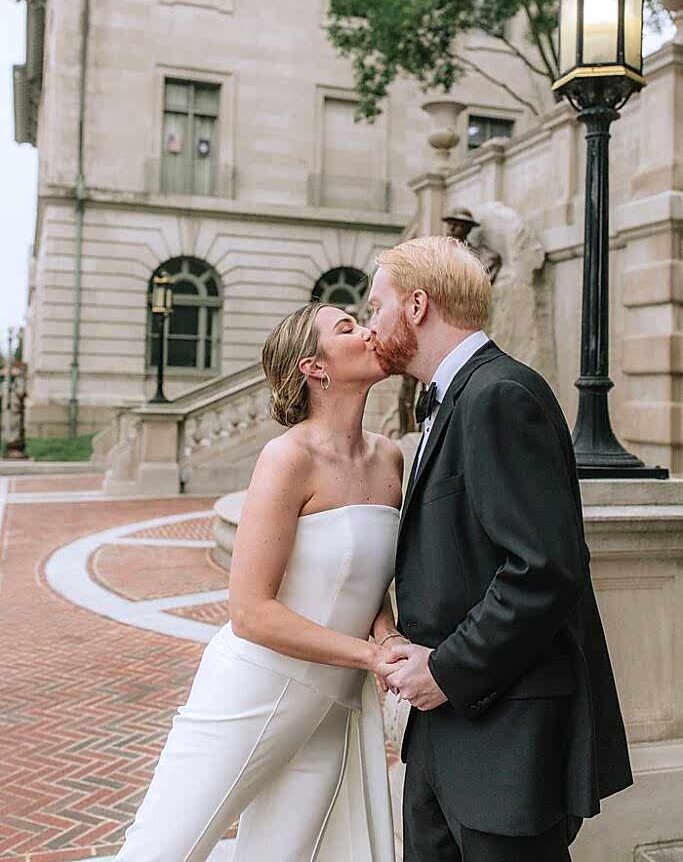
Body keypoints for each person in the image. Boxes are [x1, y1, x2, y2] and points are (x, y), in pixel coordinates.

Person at [367, 235, 633, 862]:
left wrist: (445, 670)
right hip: (442, 732)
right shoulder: (457, 397)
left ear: (417, 306)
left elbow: (543, 571)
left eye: (377, 304)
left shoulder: (501, 396)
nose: (370, 321)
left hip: (504, 739)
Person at [113, 301, 404, 862]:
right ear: (313, 367)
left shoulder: (388, 457)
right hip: (254, 688)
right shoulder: (286, 458)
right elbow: (249, 612)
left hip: (334, 699)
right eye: (347, 327)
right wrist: (368, 658)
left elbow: (368, 581)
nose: (368, 330)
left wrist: (386, 635)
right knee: (164, 850)